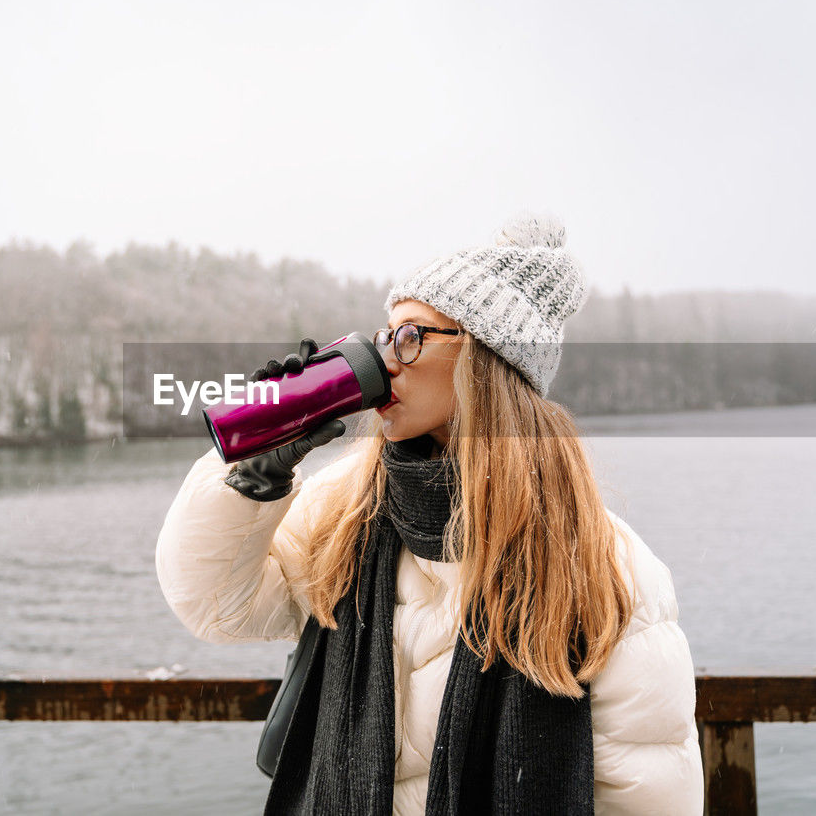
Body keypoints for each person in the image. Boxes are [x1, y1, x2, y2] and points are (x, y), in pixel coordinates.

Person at [156, 213, 702, 814]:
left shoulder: (606, 569)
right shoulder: (344, 514)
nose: (385, 361)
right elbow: (215, 608)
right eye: (384, 336)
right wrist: (254, 474)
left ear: (485, 361)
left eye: (411, 336)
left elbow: (647, 795)